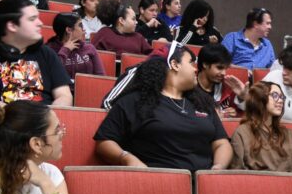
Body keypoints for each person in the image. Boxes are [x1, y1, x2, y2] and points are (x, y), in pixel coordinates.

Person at [95, 43, 231, 171]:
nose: (195, 69)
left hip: (201, 184)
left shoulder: (202, 102)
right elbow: (104, 142)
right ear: (174, 64)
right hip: (156, 182)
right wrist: (126, 158)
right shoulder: (135, 101)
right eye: (190, 63)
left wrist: (217, 168)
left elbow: (221, 143)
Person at [0, 0, 71, 105]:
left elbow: (64, 96)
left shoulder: (46, 53)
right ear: (12, 25)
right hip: (4, 119)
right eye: (32, 19)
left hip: (45, 117)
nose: (40, 23)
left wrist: (47, 117)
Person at [230, 81, 292, 173]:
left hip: (288, 185)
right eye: (275, 95)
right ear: (259, 98)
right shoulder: (242, 133)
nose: (280, 100)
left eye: (282, 97)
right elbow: (236, 173)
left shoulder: (290, 135)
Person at [46, 13, 105, 85]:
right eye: (80, 25)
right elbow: (51, 74)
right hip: (61, 93)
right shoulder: (49, 49)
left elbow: (101, 76)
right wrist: (65, 50)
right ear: (69, 30)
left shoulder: (89, 48)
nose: (84, 29)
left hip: (86, 91)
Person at [193, 43, 245, 117]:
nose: (224, 73)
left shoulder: (228, 86)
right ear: (205, 64)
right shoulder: (187, 84)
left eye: (226, 68)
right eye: (219, 68)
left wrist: (241, 98)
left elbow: (247, 116)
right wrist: (213, 117)